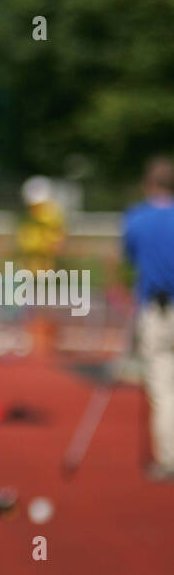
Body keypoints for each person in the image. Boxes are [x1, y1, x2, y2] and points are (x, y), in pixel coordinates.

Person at [123, 157, 174, 481]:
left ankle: (169, 457)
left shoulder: (137, 218)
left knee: (163, 386)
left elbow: (129, 257)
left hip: (157, 309)